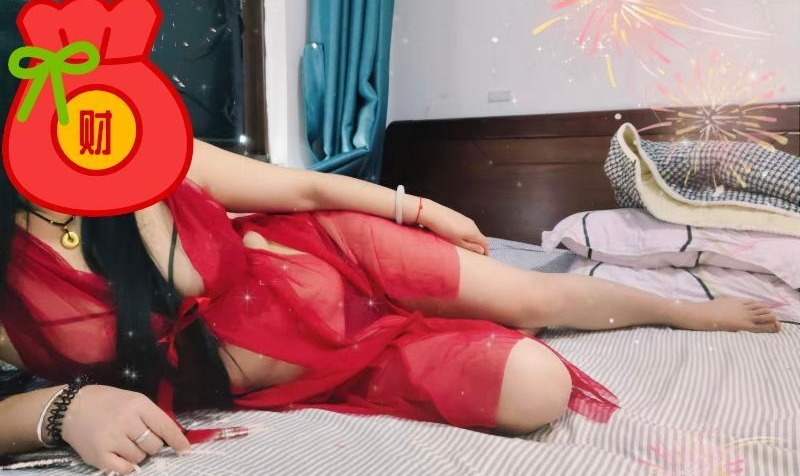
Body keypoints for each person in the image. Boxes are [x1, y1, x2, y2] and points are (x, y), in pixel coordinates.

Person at [0, 117, 780, 475]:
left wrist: (419, 208)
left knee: (527, 297)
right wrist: (62, 408)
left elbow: (304, 188)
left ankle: (684, 306)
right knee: (537, 388)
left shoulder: (128, 146)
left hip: (333, 258)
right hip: (326, 373)